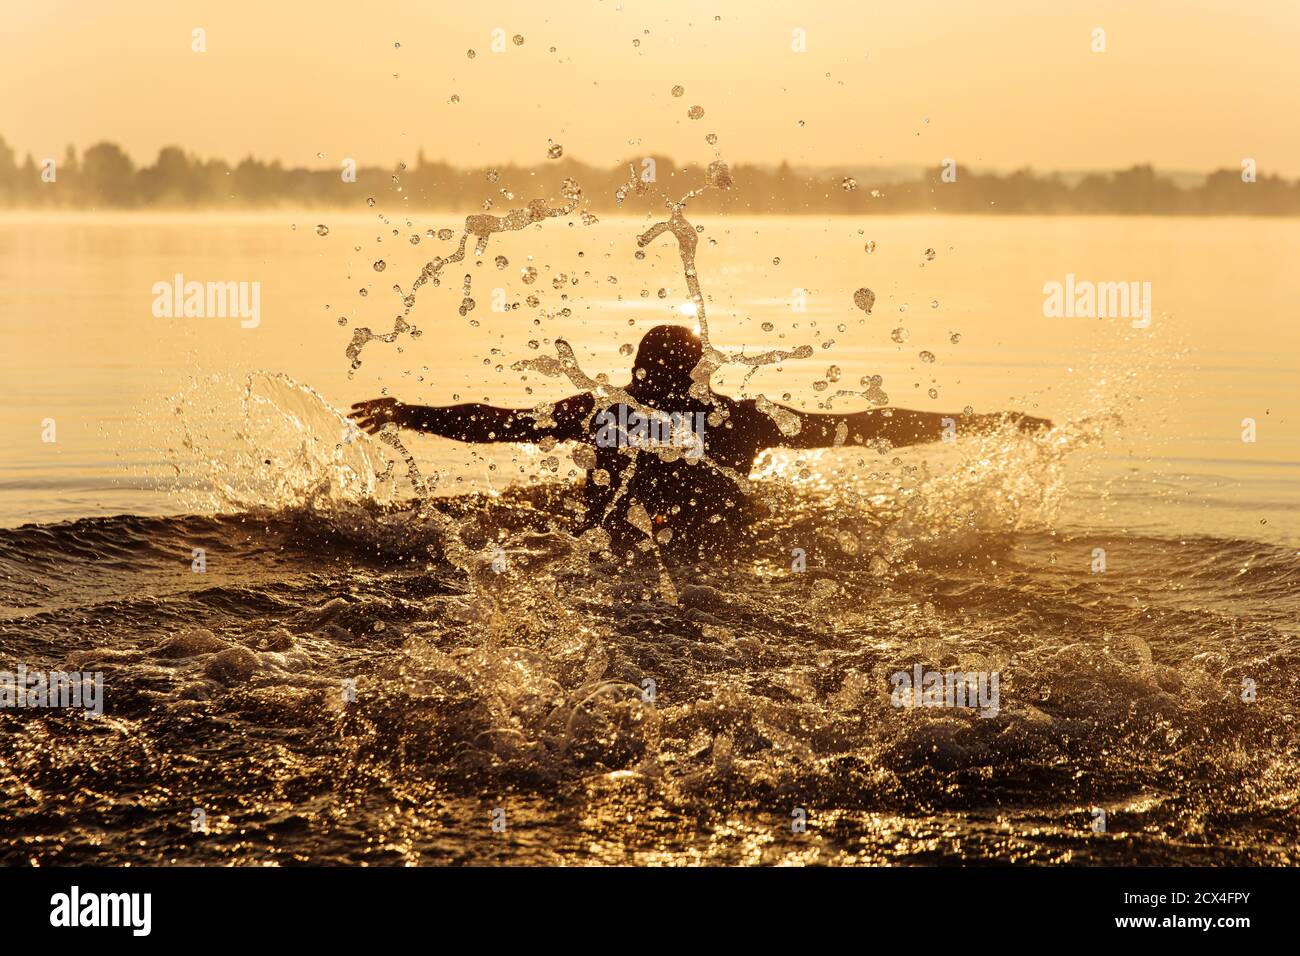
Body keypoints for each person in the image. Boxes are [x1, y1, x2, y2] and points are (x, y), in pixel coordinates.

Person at [349, 325, 1049, 560]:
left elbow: (497, 422)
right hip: (719, 553)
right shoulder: (739, 420)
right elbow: (869, 428)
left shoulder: (603, 413)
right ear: (698, 375)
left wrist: (407, 411)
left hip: (612, 552)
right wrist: (984, 424)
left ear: (636, 373)